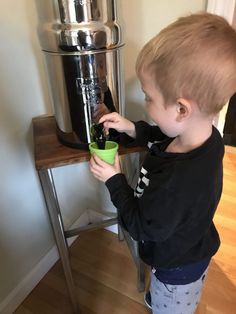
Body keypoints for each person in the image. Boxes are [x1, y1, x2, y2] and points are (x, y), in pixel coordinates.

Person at [89, 12, 236, 314]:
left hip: (176, 268)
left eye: (148, 97)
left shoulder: (176, 183)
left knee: (171, 306)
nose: (145, 103)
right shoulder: (208, 137)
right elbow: (162, 135)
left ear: (182, 109)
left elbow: (141, 227)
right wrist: (133, 129)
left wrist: (114, 180)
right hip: (191, 243)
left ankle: (165, 304)